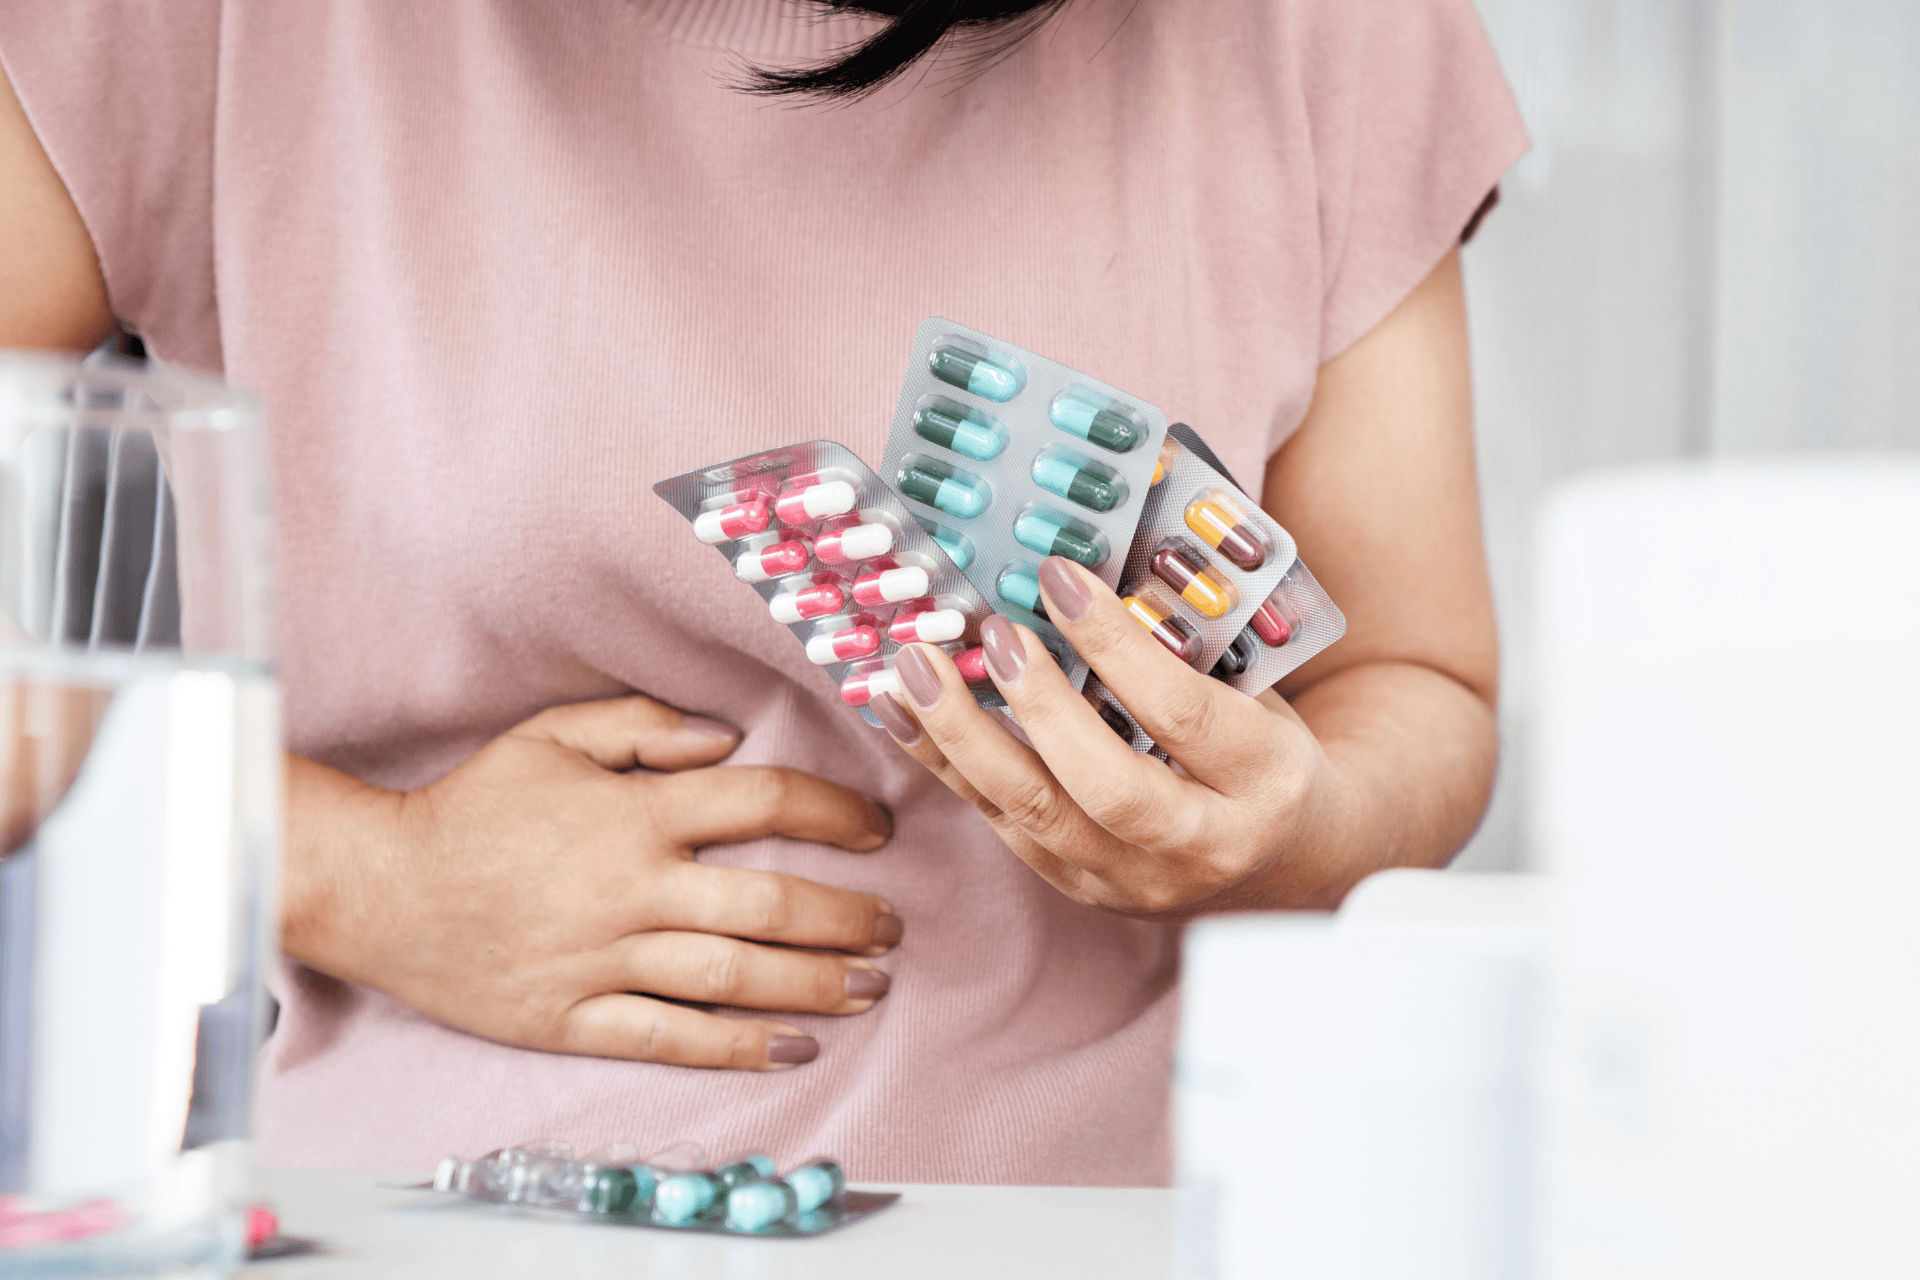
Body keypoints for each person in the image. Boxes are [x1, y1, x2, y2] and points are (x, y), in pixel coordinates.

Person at [0, 0, 1526, 1184]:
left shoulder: (1317, 33)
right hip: (452, 1211)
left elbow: (1419, 684)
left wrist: (1285, 825)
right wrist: (367, 875)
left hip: (1145, 1206)